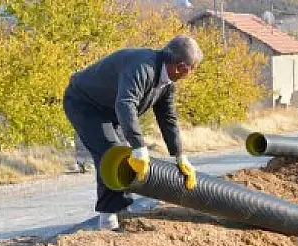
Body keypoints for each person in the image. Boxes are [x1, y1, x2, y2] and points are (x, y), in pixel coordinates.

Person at [63, 35, 202, 231]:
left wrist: (180, 155)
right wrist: (139, 146)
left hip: (108, 109)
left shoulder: (167, 82)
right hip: (84, 104)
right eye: (191, 69)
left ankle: (121, 211)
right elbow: (126, 103)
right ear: (181, 66)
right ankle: (108, 219)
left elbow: (168, 118)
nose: (190, 74)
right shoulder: (143, 67)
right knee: (113, 153)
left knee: (123, 153)